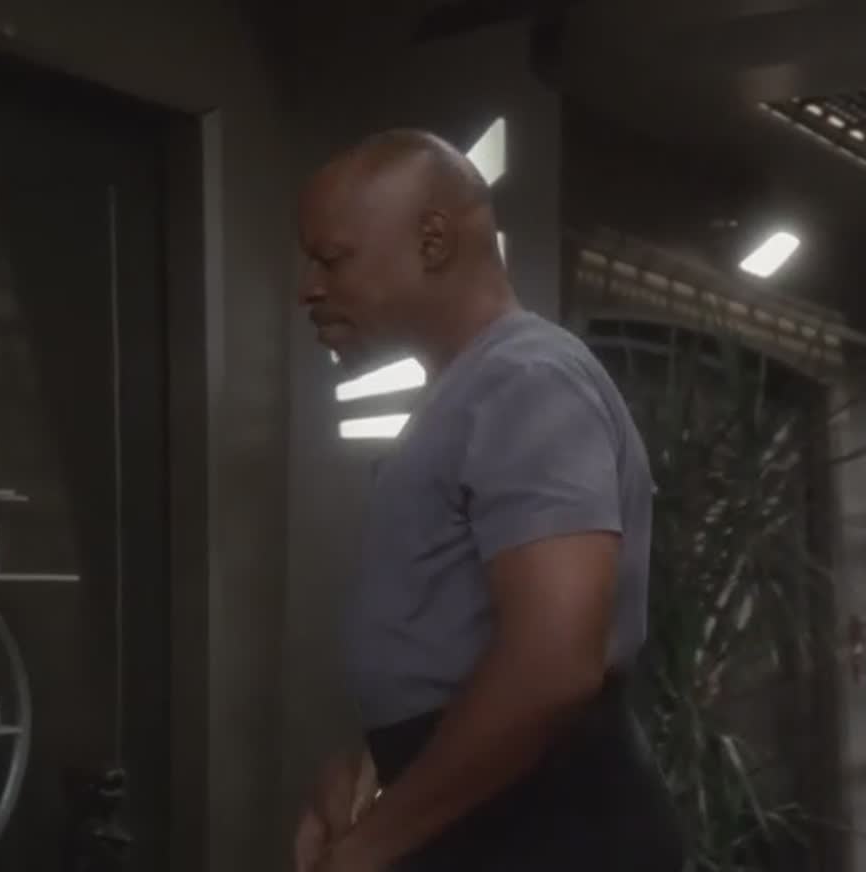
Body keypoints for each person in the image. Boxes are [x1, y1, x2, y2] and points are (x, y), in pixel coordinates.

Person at [292, 129, 685, 872]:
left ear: (433, 241)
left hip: (548, 829)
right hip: (500, 815)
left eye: (331, 258)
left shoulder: (527, 381)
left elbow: (554, 665)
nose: (309, 288)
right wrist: (375, 765)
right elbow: (452, 646)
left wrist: (371, 846)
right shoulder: (467, 390)